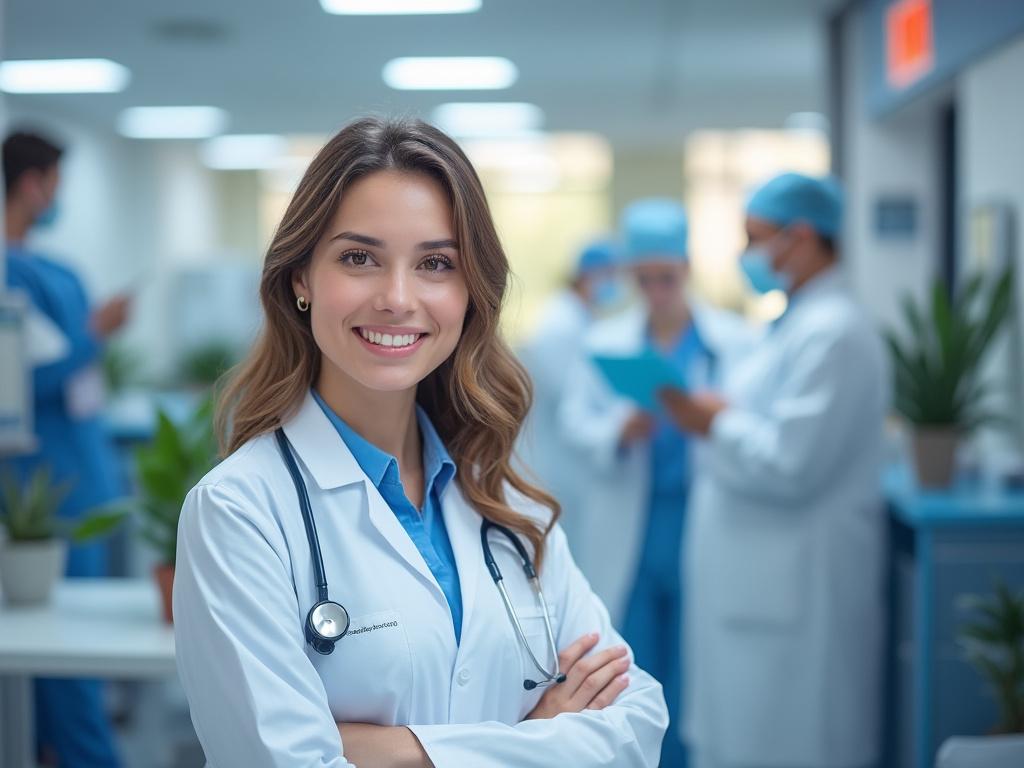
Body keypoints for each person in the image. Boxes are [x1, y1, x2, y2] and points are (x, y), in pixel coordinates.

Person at [172, 117, 668, 767]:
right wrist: (538, 735)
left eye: (435, 264)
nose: (398, 298)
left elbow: (637, 725)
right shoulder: (239, 512)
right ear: (300, 278)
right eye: (359, 258)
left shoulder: (505, 500)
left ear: (469, 293)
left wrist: (393, 752)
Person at [660, 173, 888, 768]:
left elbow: (792, 465)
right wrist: (719, 419)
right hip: (755, 582)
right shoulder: (790, 324)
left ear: (802, 235)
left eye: (755, 237)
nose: (747, 254)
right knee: (744, 732)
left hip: (797, 591)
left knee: (794, 738)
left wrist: (713, 423)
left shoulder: (833, 332)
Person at [559, 199, 721, 768]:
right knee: (635, 660)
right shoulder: (605, 341)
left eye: (666, 278)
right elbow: (574, 422)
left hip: (700, 521)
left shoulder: (728, 340)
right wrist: (618, 430)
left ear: (687, 271)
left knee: (698, 663)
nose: (655, 290)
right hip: (634, 521)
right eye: (643, 278)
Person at [2, 130, 130, 766]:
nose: (58, 196)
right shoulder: (11, 271)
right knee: (60, 640)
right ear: (33, 183)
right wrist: (96, 335)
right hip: (42, 482)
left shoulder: (54, 269)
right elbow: (18, 381)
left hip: (85, 469)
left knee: (86, 642)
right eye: (56, 183)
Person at [516, 238, 625, 547]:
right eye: (609, 274)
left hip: (574, 457)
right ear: (587, 275)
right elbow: (574, 395)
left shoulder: (583, 319)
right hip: (556, 458)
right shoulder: (559, 326)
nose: (614, 283)